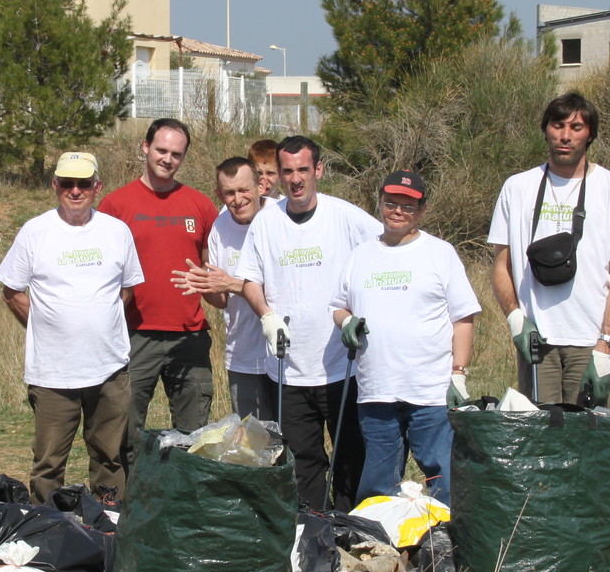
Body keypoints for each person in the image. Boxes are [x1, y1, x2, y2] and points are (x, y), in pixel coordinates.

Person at [236, 135, 380, 509]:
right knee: (303, 463)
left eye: (303, 169)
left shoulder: (345, 217)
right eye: (288, 171)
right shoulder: (267, 222)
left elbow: (385, 251)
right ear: (278, 175)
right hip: (289, 369)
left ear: (318, 170)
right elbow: (251, 280)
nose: (296, 179)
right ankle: (312, 532)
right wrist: (266, 316)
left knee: (350, 458)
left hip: (340, 366)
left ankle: (350, 530)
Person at [0, 151, 144, 503]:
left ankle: (110, 527)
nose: (75, 191)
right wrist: (48, 327)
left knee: (109, 459)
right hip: (53, 374)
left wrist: (101, 322)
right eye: (67, 183)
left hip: (108, 370)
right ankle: (50, 533)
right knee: (48, 463)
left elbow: (128, 288)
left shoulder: (116, 231)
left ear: (97, 186)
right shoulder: (35, 231)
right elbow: (11, 292)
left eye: (84, 184)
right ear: (55, 185)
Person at [489, 92, 610, 407]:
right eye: (557, 125)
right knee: (542, 444)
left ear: (590, 134)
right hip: (536, 342)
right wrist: (515, 318)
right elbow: (500, 266)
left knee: (585, 444)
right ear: (546, 129)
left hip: (589, 341)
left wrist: (605, 346)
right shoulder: (517, 187)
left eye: (576, 127)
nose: (565, 136)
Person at [330, 171, 478, 503]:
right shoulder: (360, 255)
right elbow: (338, 307)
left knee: (443, 476)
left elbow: (463, 318)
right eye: (391, 203)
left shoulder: (440, 253)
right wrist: (347, 322)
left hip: (430, 391)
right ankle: (381, 549)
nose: (397, 211)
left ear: (421, 210)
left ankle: (443, 547)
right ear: (379, 203)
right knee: (378, 483)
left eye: (408, 207)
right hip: (376, 391)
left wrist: (459, 374)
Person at [97, 118, 219, 464]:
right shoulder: (116, 205)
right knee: (125, 431)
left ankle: (183, 504)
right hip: (134, 335)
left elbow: (212, 269)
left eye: (176, 154)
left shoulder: (200, 205)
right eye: (161, 150)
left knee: (194, 436)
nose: (167, 159)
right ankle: (126, 505)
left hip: (189, 335)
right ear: (145, 147)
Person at [173, 156, 272, 420]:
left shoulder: (280, 218)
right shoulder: (219, 227)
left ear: (261, 186)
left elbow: (285, 287)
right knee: (254, 443)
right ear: (219, 194)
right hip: (243, 355)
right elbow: (222, 300)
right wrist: (204, 285)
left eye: (243, 190)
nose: (237, 199)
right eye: (229, 193)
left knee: (293, 441)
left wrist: (231, 283)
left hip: (284, 353)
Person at [248, 138, 281, 202]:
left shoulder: (289, 208)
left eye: (270, 173)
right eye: (259, 173)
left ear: (281, 174)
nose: (264, 180)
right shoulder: (237, 207)